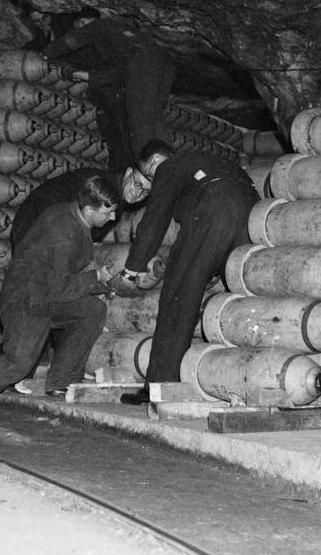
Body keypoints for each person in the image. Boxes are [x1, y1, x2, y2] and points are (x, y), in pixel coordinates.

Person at [0, 174, 120, 418]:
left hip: (44, 296)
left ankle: (62, 382)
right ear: (90, 208)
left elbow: (60, 281)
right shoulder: (66, 233)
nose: (112, 218)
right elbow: (59, 287)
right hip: (26, 301)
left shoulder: (71, 215)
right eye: (107, 212)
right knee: (17, 364)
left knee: (92, 310)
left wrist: (101, 284)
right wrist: (97, 279)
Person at [106, 141, 259, 405]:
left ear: (154, 162)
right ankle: (242, 378)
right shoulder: (205, 162)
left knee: (177, 296)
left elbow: (154, 221)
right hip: (251, 216)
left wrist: (132, 271)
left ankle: (159, 385)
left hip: (213, 211)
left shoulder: (167, 169)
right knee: (238, 298)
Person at [44, 11, 177, 175]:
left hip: (145, 66)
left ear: (94, 20)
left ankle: (147, 174)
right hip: (164, 65)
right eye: (77, 25)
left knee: (139, 124)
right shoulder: (122, 34)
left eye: (82, 23)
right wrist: (88, 76)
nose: (80, 27)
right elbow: (121, 72)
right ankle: (171, 170)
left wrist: (46, 54)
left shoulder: (99, 26)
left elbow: (69, 41)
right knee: (155, 120)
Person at [10, 164, 151, 251]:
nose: (139, 192)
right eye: (138, 184)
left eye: (146, 191)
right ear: (128, 173)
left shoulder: (117, 201)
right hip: (35, 226)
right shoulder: (103, 188)